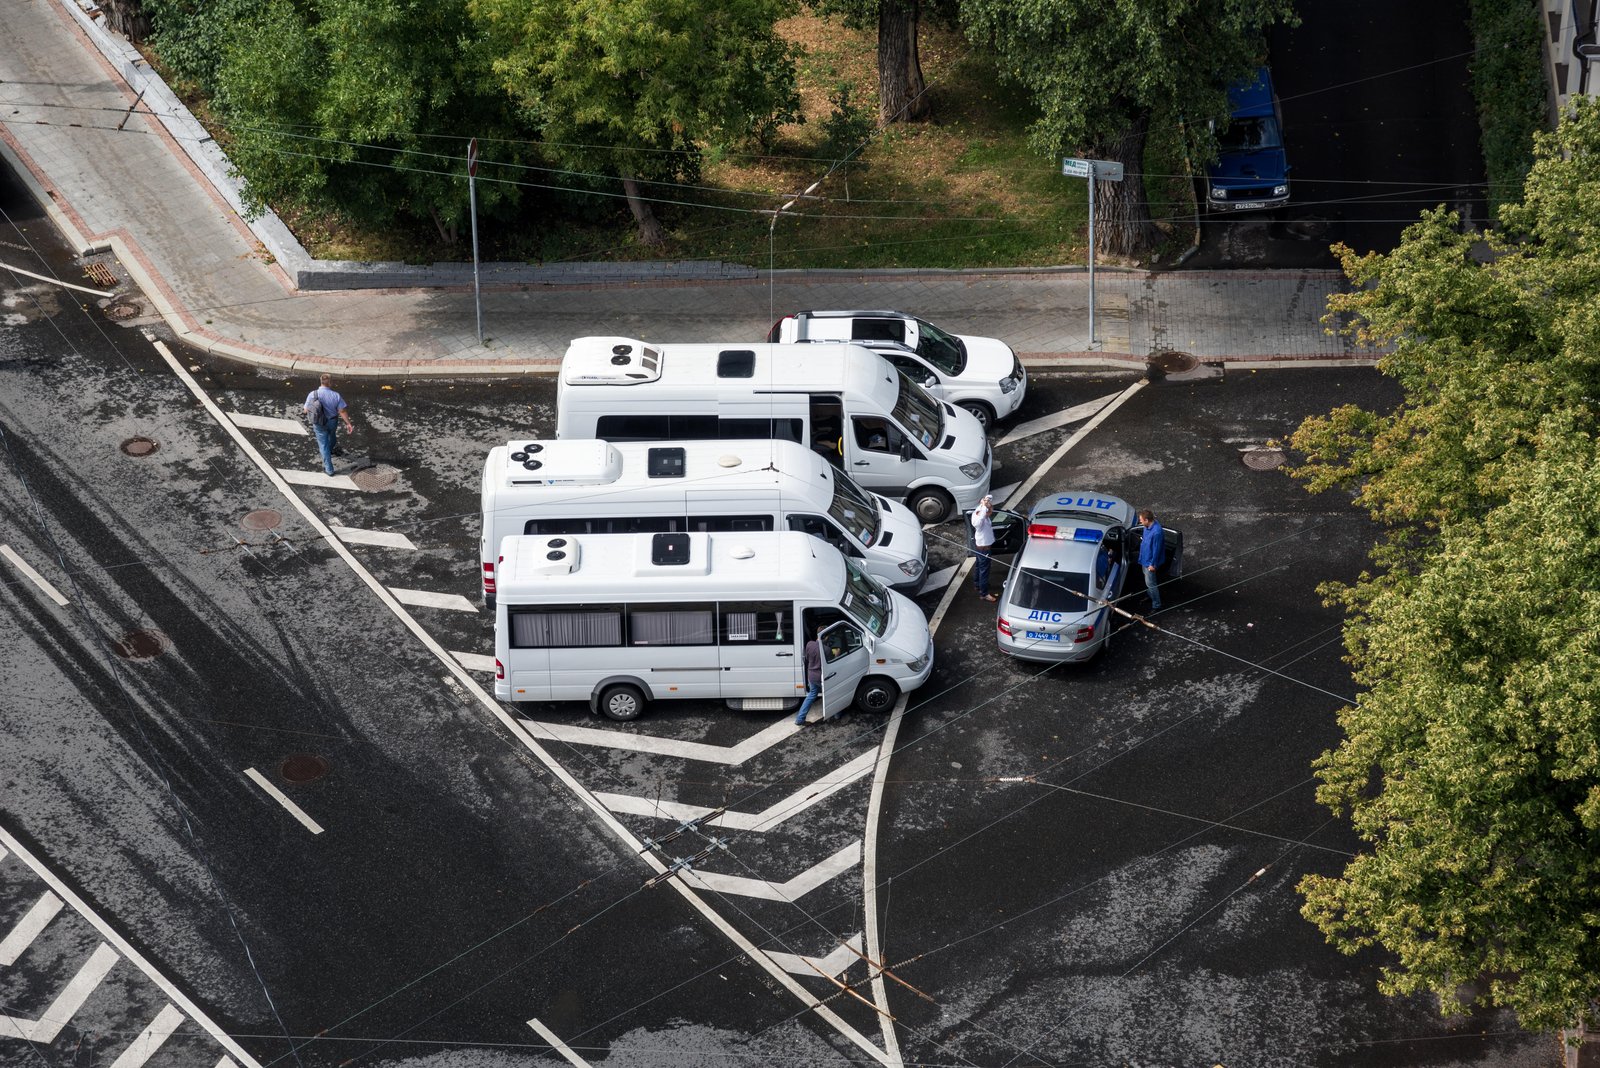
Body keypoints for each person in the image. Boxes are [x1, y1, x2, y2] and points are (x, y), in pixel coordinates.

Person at [304, 373, 354, 476]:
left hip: (319, 423)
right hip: (332, 421)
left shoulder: (312, 394)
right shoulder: (336, 395)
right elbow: (342, 411)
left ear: (320, 381)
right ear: (330, 383)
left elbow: (305, 410)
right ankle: (330, 449)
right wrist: (348, 423)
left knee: (323, 445)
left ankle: (329, 469)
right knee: (332, 436)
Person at [1137, 508, 1167, 611]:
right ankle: (1150, 595)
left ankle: (1156, 604)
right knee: (1148, 581)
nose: (1140, 521)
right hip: (1144, 558)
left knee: (1151, 584)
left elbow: (1156, 550)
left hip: (1150, 562)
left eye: (1141, 520)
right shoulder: (1147, 526)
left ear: (1146, 520)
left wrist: (1153, 564)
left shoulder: (1156, 532)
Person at [793, 629, 823, 726]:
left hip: (810, 675)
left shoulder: (809, 644)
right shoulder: (826, 649)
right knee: (832, 691)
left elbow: (806, 657)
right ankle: (837, 714)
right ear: (825, 635)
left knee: (811, 695)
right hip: (819, 676)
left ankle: (800, 719)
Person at [971, 494, 997, 602]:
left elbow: (989, 511)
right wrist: (984, 507)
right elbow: (980, 519)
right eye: (988, 508)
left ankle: (978, 584)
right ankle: (984, 593)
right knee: (984, 571)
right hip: (984, 549)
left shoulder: (981, 514)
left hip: (981, 547)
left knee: (979, 566)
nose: (990, 510)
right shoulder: (979, 520)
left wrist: (986, 503)